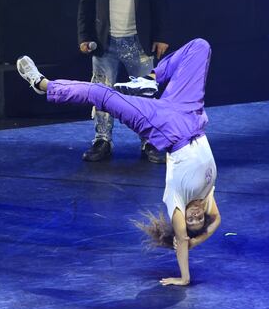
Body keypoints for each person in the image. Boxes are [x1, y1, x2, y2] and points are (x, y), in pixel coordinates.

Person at [17, 38, 220, 286]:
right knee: (200, 47)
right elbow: (216, 222)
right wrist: (199, 237)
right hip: (191, 113)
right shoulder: (207, 196)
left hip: (166, 128)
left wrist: (184, 275)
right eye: (200, 218)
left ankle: (44, 85)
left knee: (102, 94)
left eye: (192, 220)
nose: (197, 215)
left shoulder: (176, 201)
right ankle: (150, 79)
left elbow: (182, 240)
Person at [77, 0, 170, 164]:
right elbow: (85, 2)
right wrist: (84, 36)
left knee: (145, 94)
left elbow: (159, 1)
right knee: (102, 94)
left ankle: (149, 142)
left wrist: (161, 36)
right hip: (105, 42)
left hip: (138, 42)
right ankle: (102, 141)